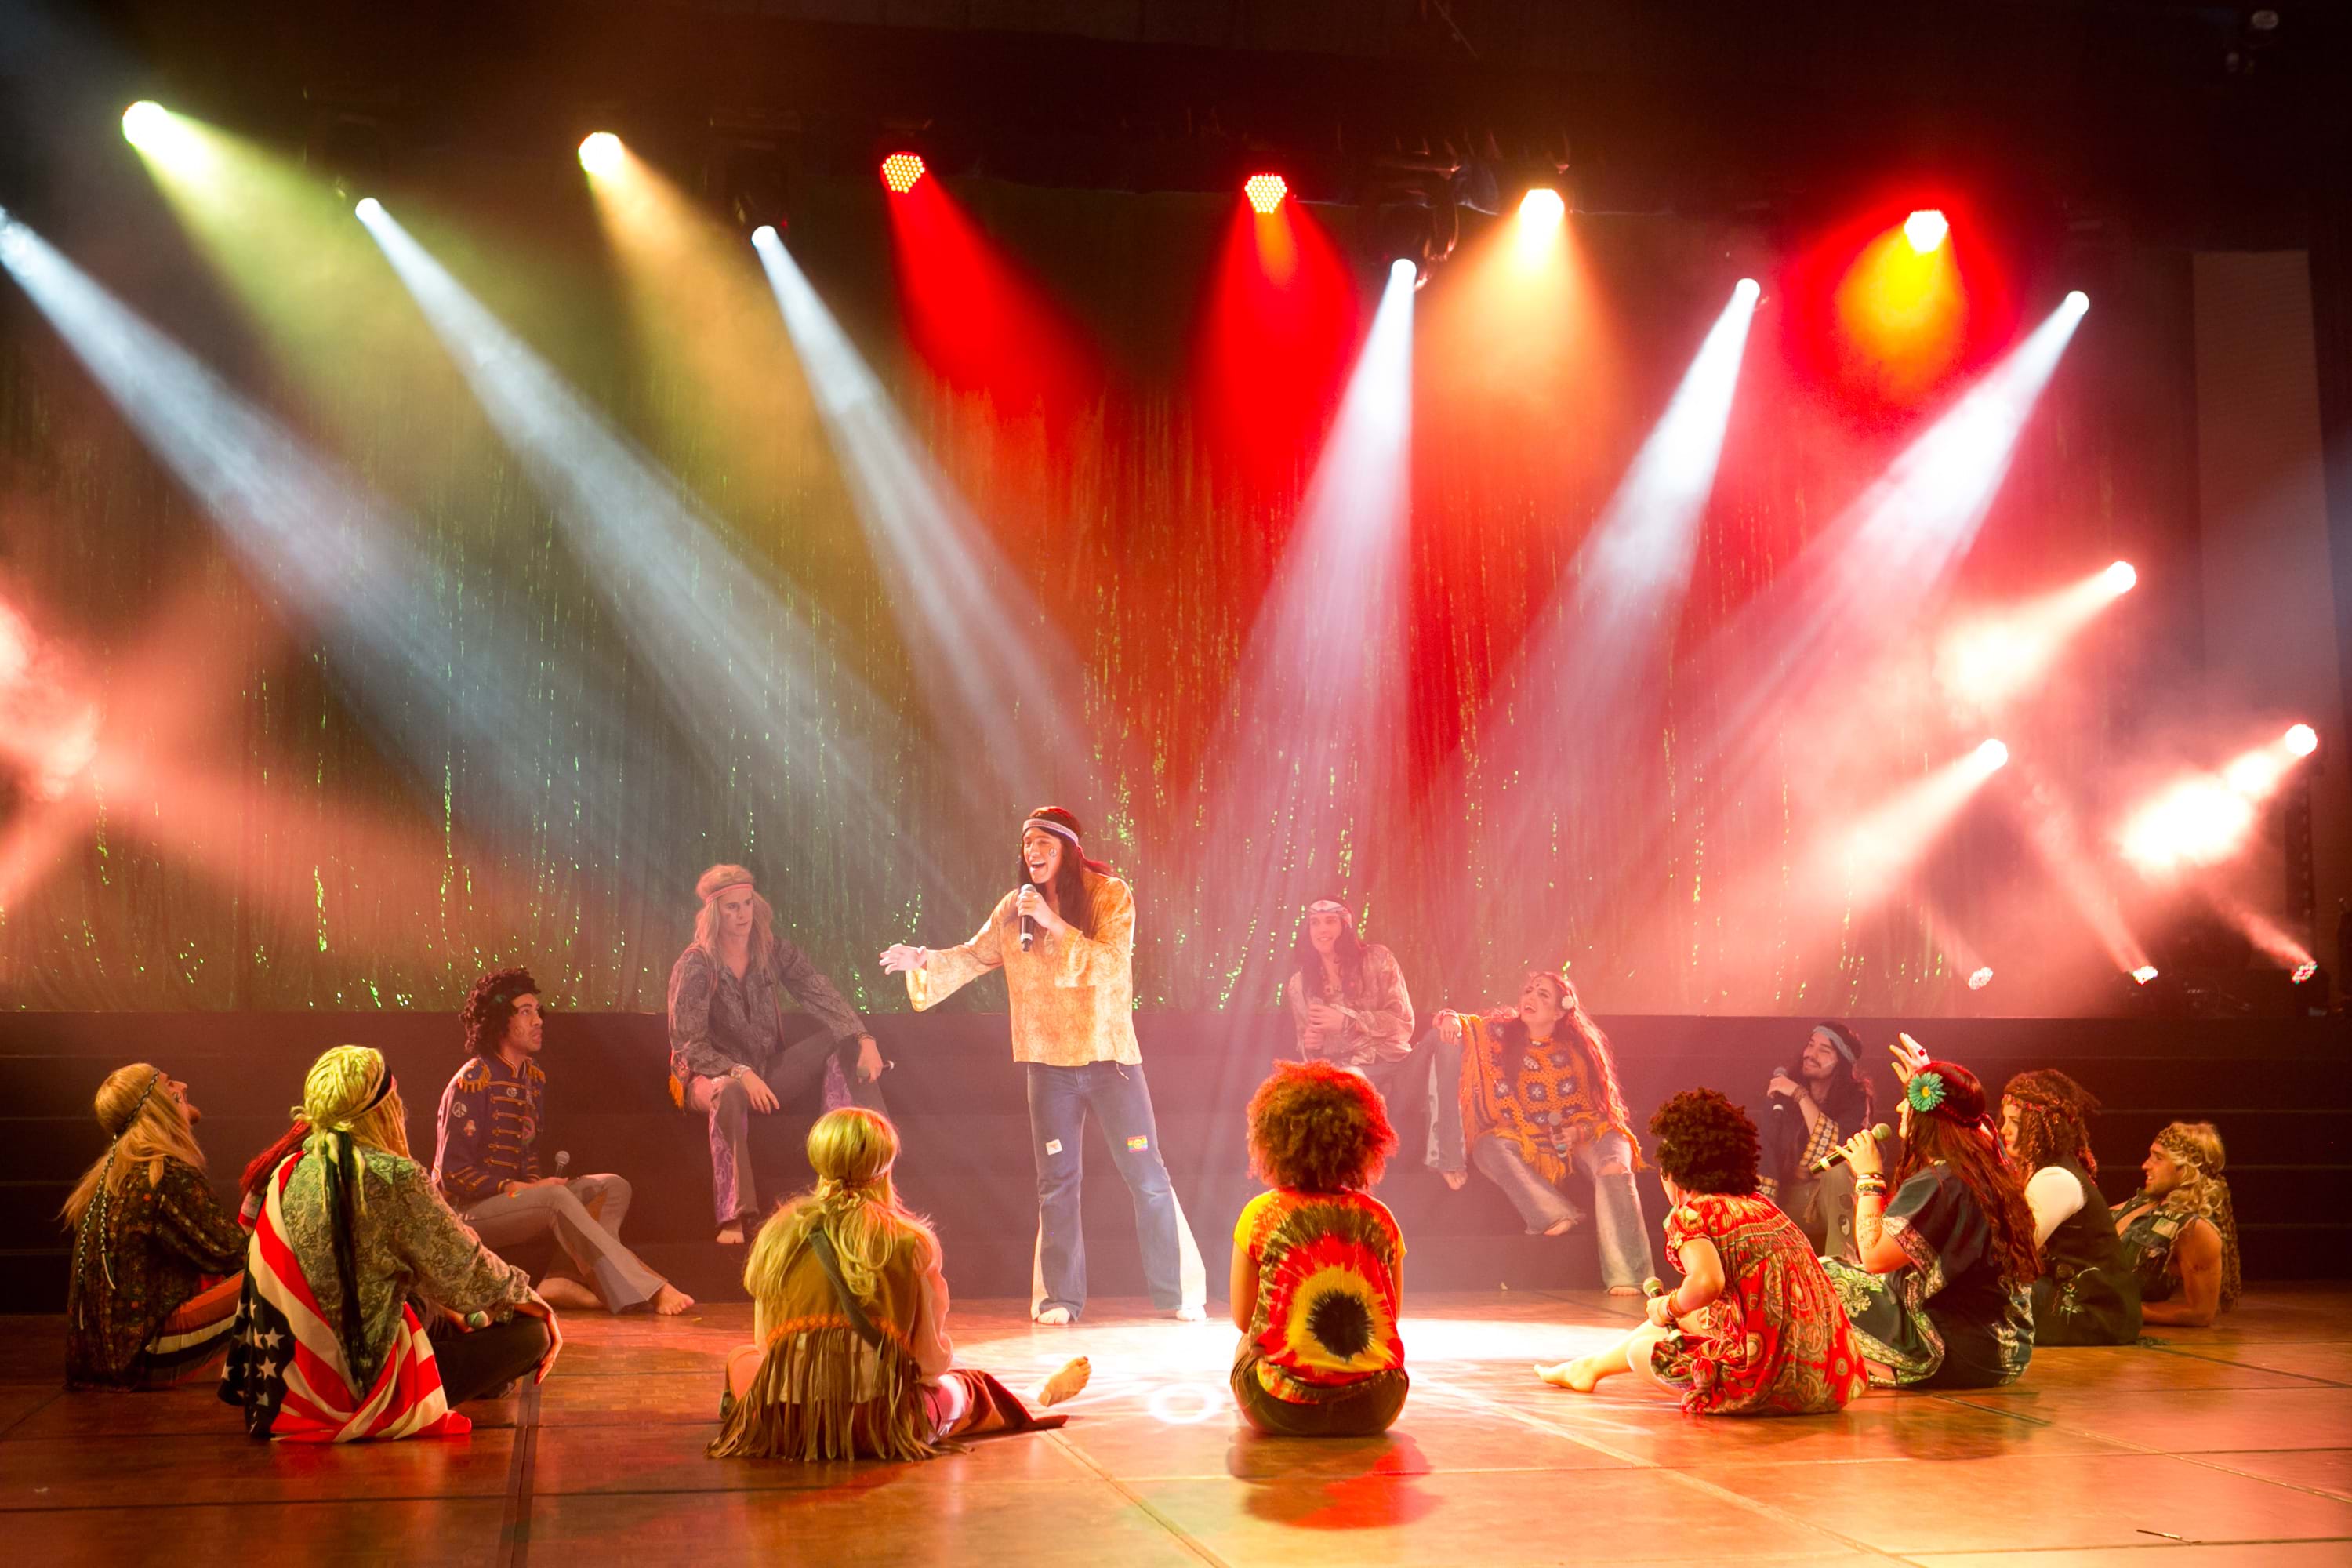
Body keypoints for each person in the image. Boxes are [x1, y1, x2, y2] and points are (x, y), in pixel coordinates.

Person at [880, 807, 1208, 1325]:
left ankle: (1177, 1293)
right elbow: (974, 955)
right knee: (1056, 1183)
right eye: (1028, 843)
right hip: (1048, 1067)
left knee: (1146, 1174)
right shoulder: (1014, 908)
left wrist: (1053, 921)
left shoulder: (1109, 895)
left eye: (1043, 843)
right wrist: (923, 959)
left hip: (1111, 1061)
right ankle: (1060, 1298)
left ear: (1068, 850)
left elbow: (1110, 963)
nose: (1033, 851)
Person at [220, 1045, 559, 1440]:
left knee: (428, 1304)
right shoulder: (392, 1175)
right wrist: (535, 1304)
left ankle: (482, 1370)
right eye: (395, 1097)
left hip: (282, 1384)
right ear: (381, 1109)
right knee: (532, 1335)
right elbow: (466, 1268)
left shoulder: (286, 1169)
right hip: (361, 1391)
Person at [710, 1108, 1090, 1461]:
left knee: (742, 1358)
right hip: (882, 1427)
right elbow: (929, 1364)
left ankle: (745, 1417)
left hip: (788, 1427)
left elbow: (766, 1346)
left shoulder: (776, 1236)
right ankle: (1034, 1396)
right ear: (884, 1167)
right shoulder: (911, 1242)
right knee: (969, 1388)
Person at [1537, 1088, 1867, 1416]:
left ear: (1671, 1174)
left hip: (1770, 1387)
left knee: (1641, 1351)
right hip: (1831, 1382)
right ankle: (1588, 1368)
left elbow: (1707, 1282)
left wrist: (1667, 1306)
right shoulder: (1762, 1206)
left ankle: (1589, 1368)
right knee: (1693, 1314)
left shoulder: (1694, 1215)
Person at [434, 967, 691, 1315]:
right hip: (469, 1213)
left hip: (516, 1200)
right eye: (525, 1012)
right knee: (555, 1197)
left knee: (612, 1187)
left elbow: (528, 1152)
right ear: (499, 1021)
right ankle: (650, 1288)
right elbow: (453, 1175)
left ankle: (561, 1278)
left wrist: (533, 1183)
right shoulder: (472, 1081)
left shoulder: (531, 1079)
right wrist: (521, 1187)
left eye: (537, 1011)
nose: (538, 1020)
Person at [669, 862, 889, 1244]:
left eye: (747, 903)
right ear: (714, 913)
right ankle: (734, 1218)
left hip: (764, 1070)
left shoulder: (771, 950)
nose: (743, 914)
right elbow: (688, 1043)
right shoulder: (696, 963)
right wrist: (739, 1073)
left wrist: (865, 1039)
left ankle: (859, 1167)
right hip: (709, 1077)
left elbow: (818, 990)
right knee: (728, 1091)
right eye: (732, 907)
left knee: (840, 1038)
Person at [1820, 1036, 2038, 1388]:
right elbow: (1972, 1119)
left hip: (1956, 1350)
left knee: (1821, 1277)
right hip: (2003, 1352)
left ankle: (1894, 1367)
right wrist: (1937, 1081)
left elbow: (1874, 1258)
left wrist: (1868, 1177)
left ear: (1929, 1115)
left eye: (1908, 1101)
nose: (1899, 1107)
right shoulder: (1984, 1166)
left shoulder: (1940, 1182)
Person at [1429, 969, 1653, 1294]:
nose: (1530, 997)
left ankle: (1630, 1275)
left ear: (1560, 1012)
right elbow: (1469, 1026)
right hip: (1529, 1135)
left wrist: (1576, 1132)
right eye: (1529, 991)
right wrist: (1450, 1018)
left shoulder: (1580, 1050)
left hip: (1587, 1130)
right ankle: (1554, 1213)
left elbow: (1599, 1112)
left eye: (1542, 994)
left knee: (1615, 1163)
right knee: (1488, 1146)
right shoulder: (1502, 1034)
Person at [1229, 1062, 1410, 1437]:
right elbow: (1390, 1315)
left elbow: (1244, 1320)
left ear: (1273, 1140)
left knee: (1247, 1343)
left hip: (1281, 1409)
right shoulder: (1380, 1218)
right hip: (1375, 1407)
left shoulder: (1261, 1214)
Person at [61, 1065, 246, 1390]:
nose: (183, 1084)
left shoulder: (111, 1176)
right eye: (170, 1083)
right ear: (158, 1103)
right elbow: (236, 1253)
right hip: (143, 1359)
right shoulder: (163, 1174)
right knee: (280, 1270)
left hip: (97, 1366)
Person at [1999, 1069, 2140, 1345]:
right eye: (2005, 1120)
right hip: (2068, 1295)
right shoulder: (2039, 1171)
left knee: (1976, 1294)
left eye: (2015, 1122)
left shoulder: (2056, 1178)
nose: (2004, 1130)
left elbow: (2015, 1251)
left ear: (2043, 1126)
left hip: (2094, 1313)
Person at [1283, 899, 1427, 1162]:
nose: (1321, 929)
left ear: (1345, 925)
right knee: (1339, 1086)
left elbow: (1403, 1023)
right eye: (1315, 923)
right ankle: (1350, 1173)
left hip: (1394, 1062)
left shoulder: (1377, 959)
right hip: (1347, 1069)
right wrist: (1311, 1044)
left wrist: (1348, 1022)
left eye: (1330, 921)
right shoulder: (1299, 984)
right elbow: (1308, 1049)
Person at [1760, 1022, 1875, 1259]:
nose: (1811, 1054)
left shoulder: (1855, 1099)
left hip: (1830, 1199)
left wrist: (1800, 1095)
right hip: (1786, 1200)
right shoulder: (1782, 1096)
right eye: (1810, 1045)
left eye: (1824, 1050)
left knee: (1838, 1170)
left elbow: (1840, 1150)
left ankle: (1842, 1263)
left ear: (1841, 1062)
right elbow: (1766, 1154)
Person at [2113, 1121, 2241, 1327]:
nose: (2145, 1165)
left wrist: (2120, 1309)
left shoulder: (2194, 1228)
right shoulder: (2142, 1203)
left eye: (2158, 1158)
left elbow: (2200, 1313)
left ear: (2186, 1167)